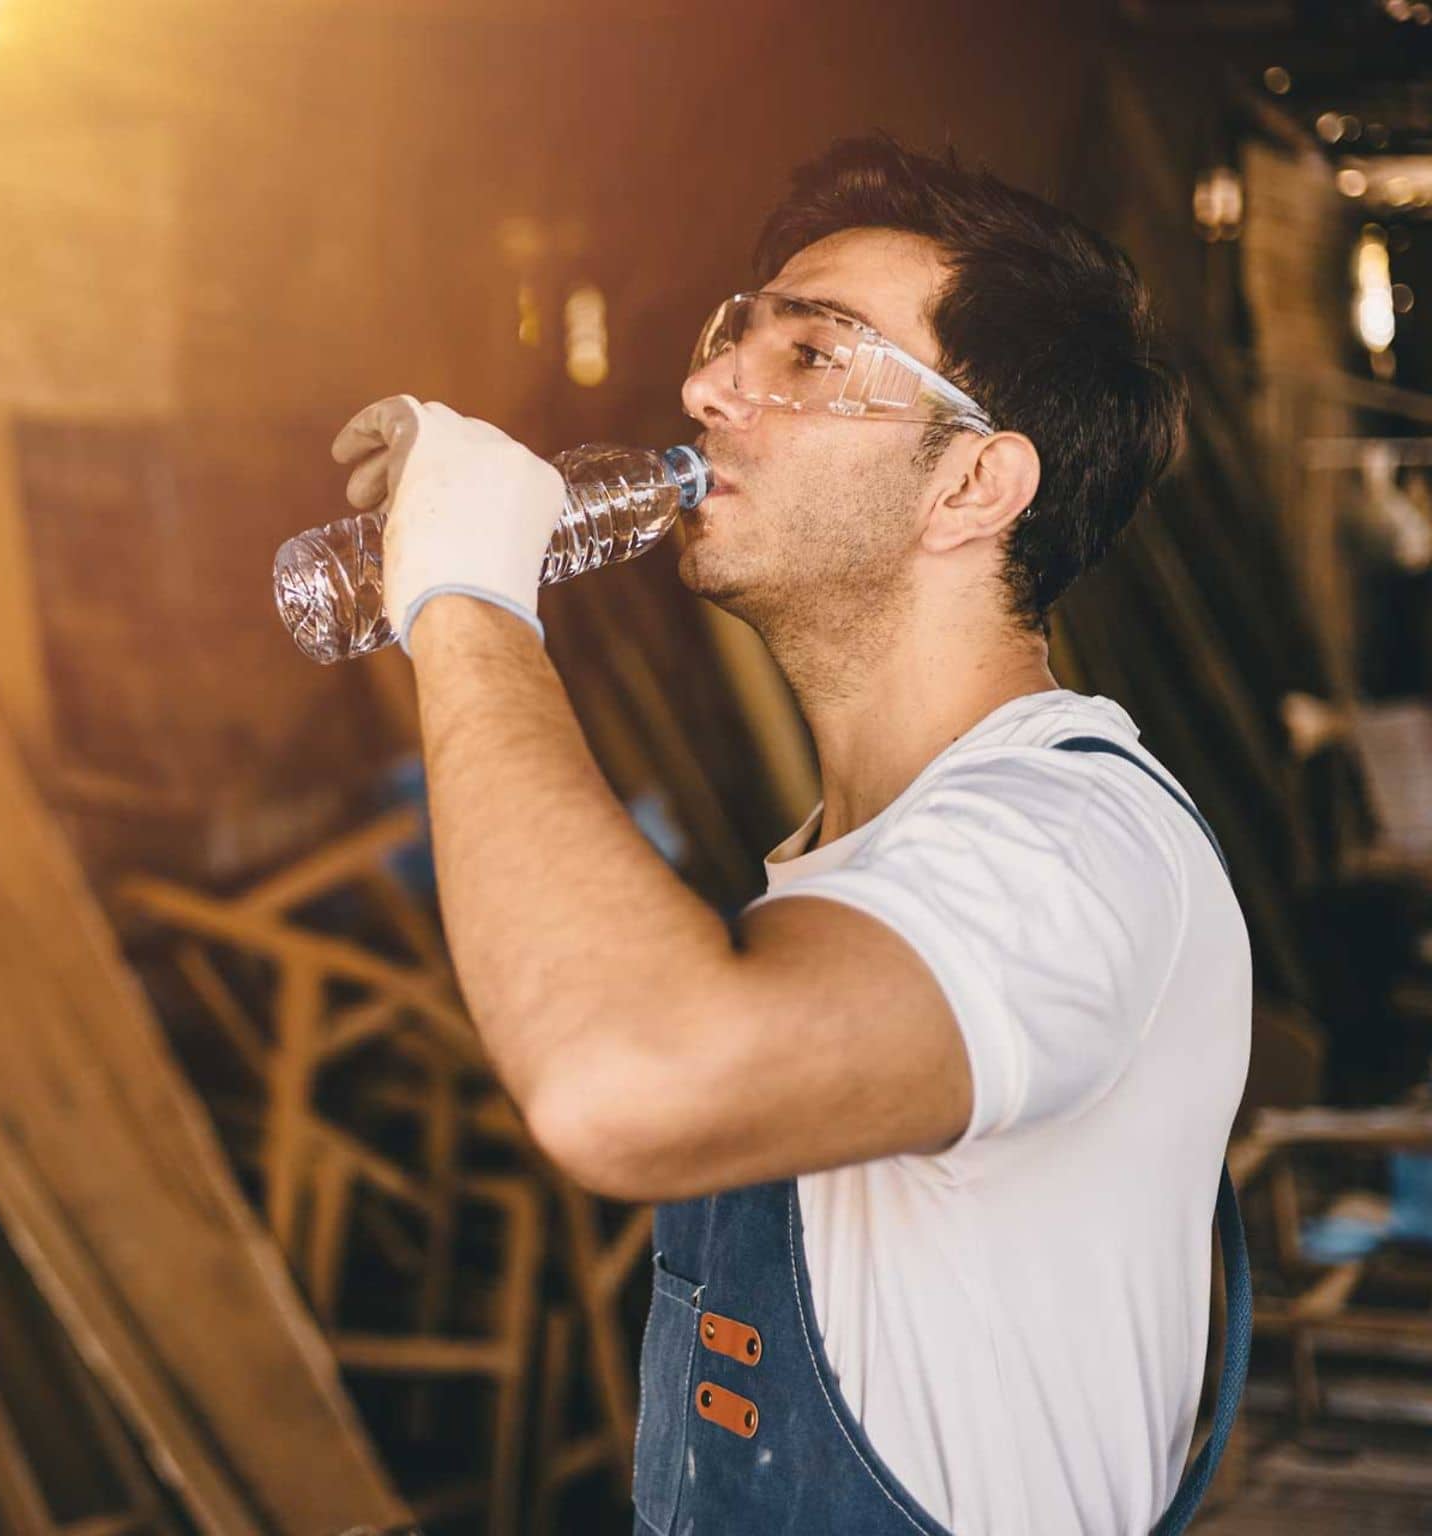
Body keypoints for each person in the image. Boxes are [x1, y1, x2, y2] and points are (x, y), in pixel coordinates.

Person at [326, 137, 1251, 1535]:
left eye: (814, 357)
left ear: (974, 488)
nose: (706, 391)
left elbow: (622, 1082)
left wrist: (466, 596)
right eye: (730, 340)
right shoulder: (853, 869)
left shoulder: (1069, 845)